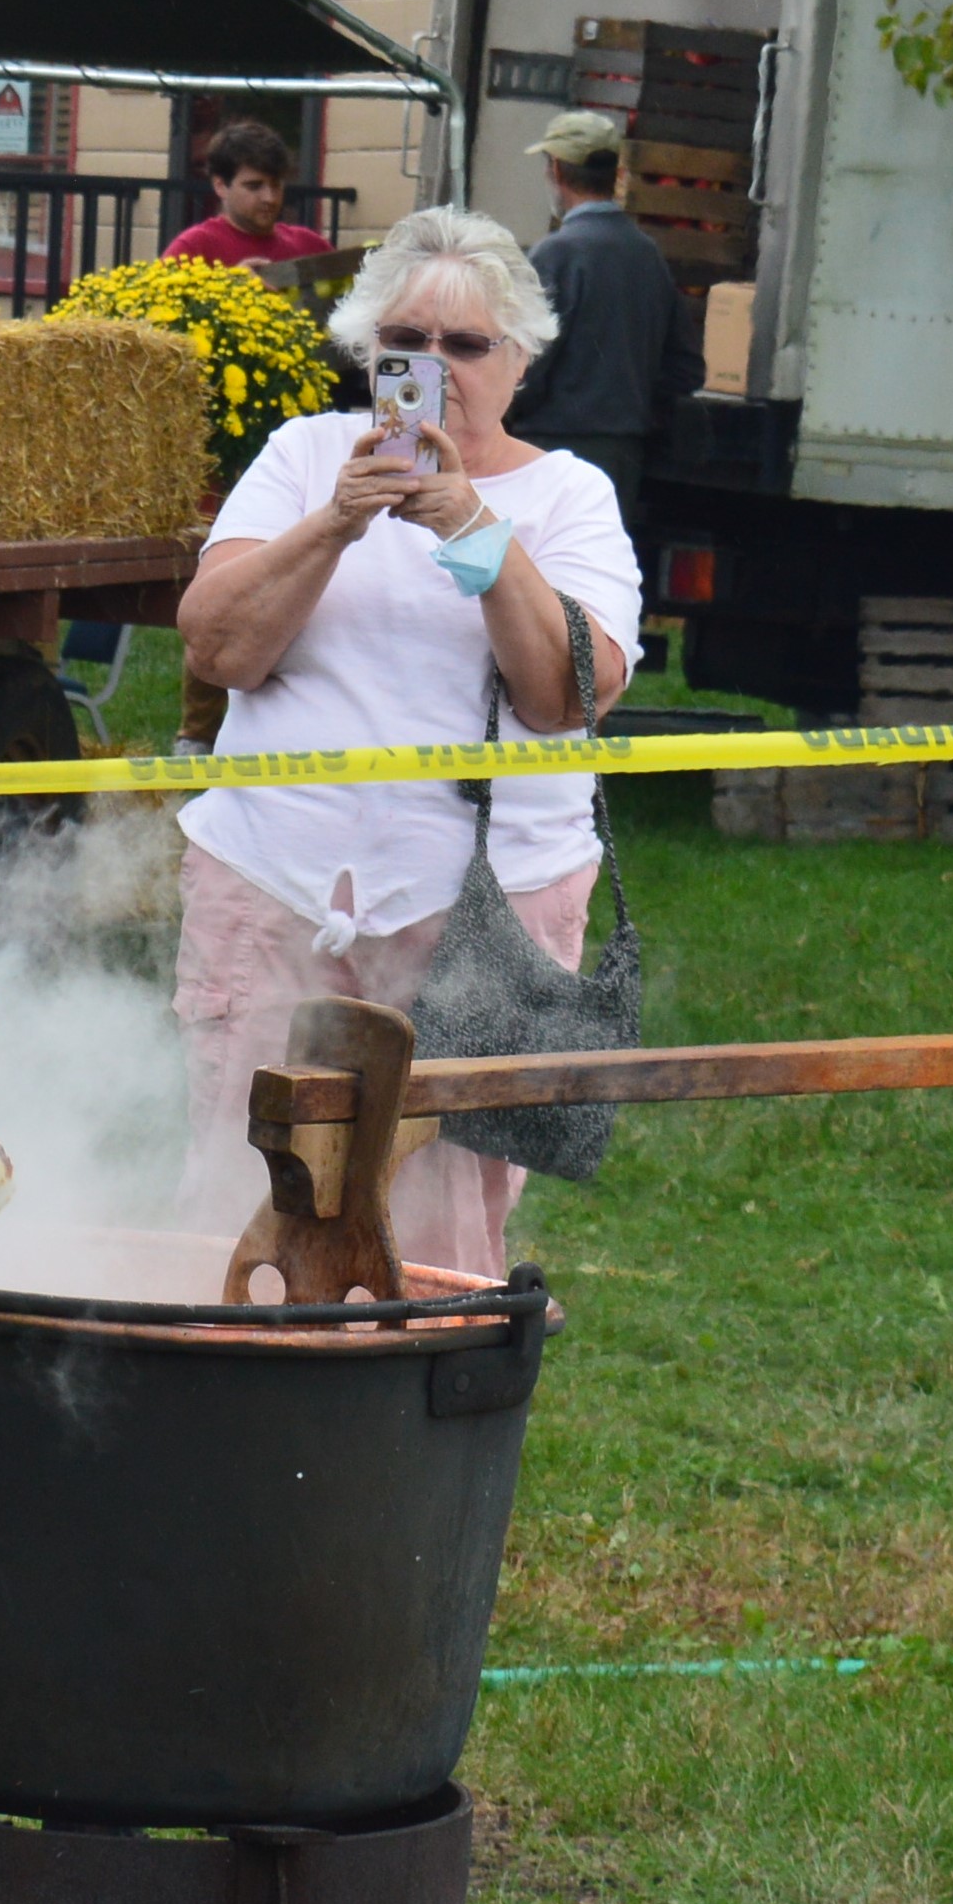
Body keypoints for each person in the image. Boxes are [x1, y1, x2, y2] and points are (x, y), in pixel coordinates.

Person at [170, 205, 639, 1282]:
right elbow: (218, 647)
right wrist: (336, 520)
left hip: (476, 915)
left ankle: (405, 1436)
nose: (431, 367)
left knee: (435, 1241)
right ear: (363, 350)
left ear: (518, 361)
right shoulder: (301, 457)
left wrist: (471, 528)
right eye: (403, 344)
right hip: (273, 884)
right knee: (231, 1205)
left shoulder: (569, 496)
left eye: (464, 346)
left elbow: (565, 692)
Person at [509, 108, 704, 504]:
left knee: (534, 564)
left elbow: (524, 364)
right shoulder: (647, 255)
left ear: (557, 170)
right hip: (622, 459)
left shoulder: (556, 254)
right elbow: (684, 368)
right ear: (615, 173)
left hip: (548, 454)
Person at [161, 118, 331, 271]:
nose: (269, 198)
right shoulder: (193, 248)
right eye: (254, 187)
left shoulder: (310, 246)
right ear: (220, 186)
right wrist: (230, 287)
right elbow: (153, 304)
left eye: (276, 185)